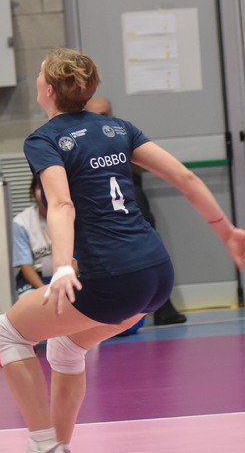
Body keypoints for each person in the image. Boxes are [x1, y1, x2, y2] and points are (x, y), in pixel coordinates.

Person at [0, 48, 245, 453]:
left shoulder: (44, 139)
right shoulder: (118, 129)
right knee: (66, 346)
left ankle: (43, 444)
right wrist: (226, 232)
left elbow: (61, 204)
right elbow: (186, 178)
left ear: (47, 90)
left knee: (7, 333)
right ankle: (61, 445)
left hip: (112, 278)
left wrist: (62, 266)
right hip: (157, 276)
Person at [85, 96, 187, 326]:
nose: (100, 120)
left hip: (126, 198)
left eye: (104, 115)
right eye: (94, 115)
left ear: (112, 115)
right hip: (96, 208)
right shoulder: (77, 142)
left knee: (145, 230)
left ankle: (162, 304)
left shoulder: (123, 134)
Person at [11, 179, 52, 297]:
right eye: (39, 188)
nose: (44, 192)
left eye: (48, 186)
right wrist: (46, 293)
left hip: (67, 274)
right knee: (34, 302)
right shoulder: (21, 221)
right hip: (37, 277)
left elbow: (78, 261)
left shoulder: (73, 215)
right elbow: (25, 265)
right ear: (33, 192)